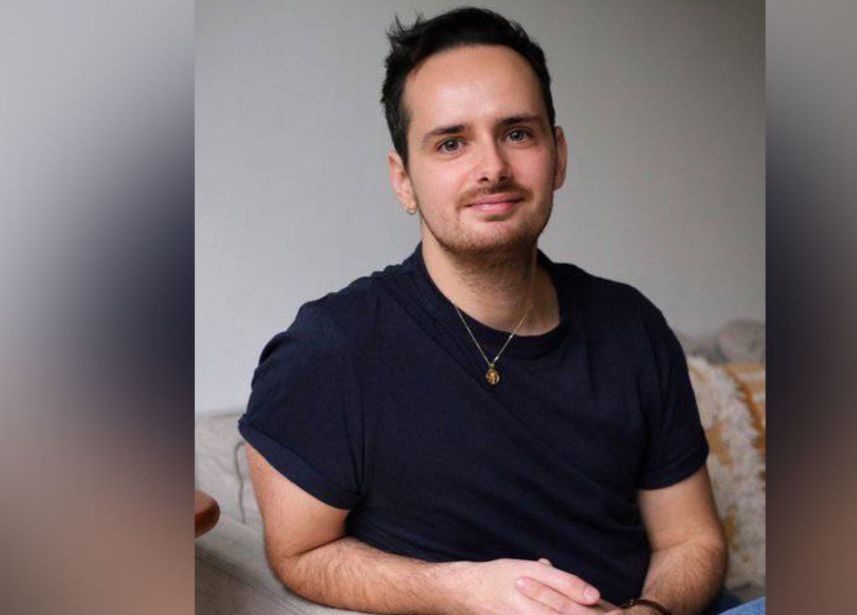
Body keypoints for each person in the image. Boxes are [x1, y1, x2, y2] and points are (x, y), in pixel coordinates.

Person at [238, 7, 764, 615]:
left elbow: (689, 538)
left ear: (557, 155)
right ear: (403, 180)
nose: (491, 167)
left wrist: (648, 613)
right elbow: (299, 556)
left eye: (517, 133)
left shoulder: (631, 324)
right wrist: (459, 590)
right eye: (451, 142)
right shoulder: (331, 350)